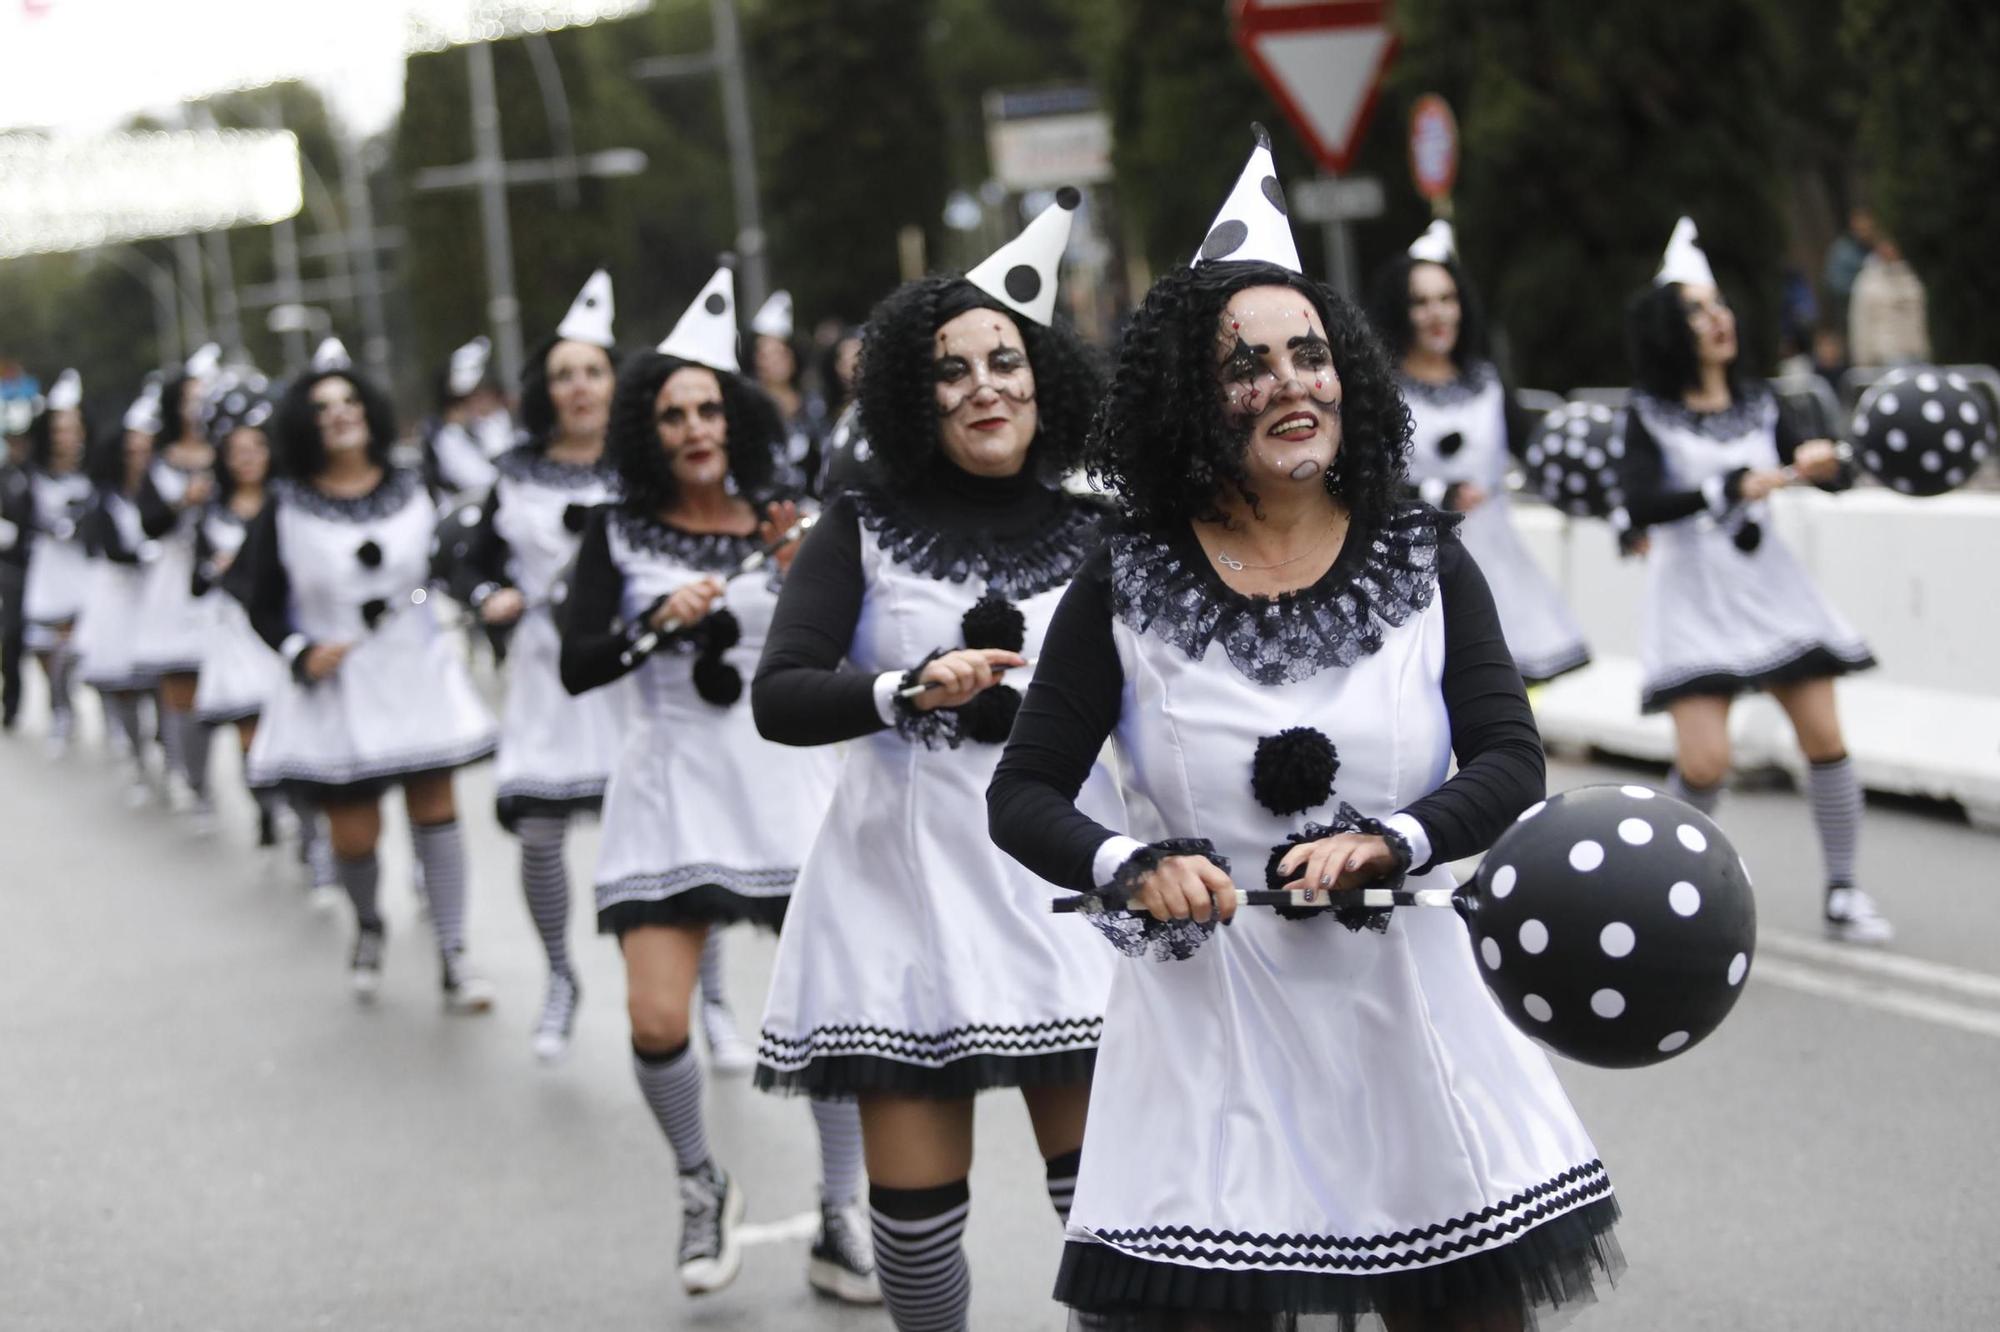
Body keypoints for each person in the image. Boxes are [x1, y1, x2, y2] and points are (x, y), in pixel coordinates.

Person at [987, 132, 1620, 1331]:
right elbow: (1021, 796)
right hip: (1208, 1035)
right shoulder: (1117, 581)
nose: (1289, 384)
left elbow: (1505, 758)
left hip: (1408, 1031)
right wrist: (1133, 864)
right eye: (1246, 367)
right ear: (1187, 398)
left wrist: (1395, 838)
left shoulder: (1424, 556)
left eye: (1309, 356)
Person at [751, 196, 1119, 1331]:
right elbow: (780, 697)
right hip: (900, 902)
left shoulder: (1108, 529)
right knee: (914, 1229)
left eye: (1003, 360)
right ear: (916, 396)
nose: (983, 388)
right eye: (951, 371)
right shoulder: (857, 523)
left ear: (1042, 375)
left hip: (1066, 893)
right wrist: (904, 686)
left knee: (1108, 1213)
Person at [557, 268, 877, 1303]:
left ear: (733, 417)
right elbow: (576, 664)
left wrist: (798, 567)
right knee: (655, 1020)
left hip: (785, 788)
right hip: (667, 794)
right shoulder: (615, 533)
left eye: (707, 408)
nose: (692, 427)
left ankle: (840, 1212)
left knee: (828, 1015)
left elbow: (857, 647)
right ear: (646, 434)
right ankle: (700, 1183)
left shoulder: (794, 521)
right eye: (670, 414)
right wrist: (654, 622)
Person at [1621, 218, 1887, 944]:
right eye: (1698, 313)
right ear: (1672, 332)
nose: (1718, 321)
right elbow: (1640, 501)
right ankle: (1659, 888)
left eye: (1719, 307)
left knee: (1825, 739)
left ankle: (1843, 890)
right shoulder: (1647, 415)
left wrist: (1830, 466)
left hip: (1771, 593)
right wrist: (1727, 486)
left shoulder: (1768, 401)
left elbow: (1815, 468)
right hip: (1695, 603)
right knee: (1706, 763)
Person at [228, 356, 501, 1005]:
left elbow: (452, 563)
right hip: (336, 689)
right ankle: (370, 925)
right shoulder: (285, 506)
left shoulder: (413, 486)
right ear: (303, 425)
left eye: (348, 401)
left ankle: (454, 954)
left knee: (436, 810)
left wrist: (485, 595)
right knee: (354, 833)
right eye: (321, 408)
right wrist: (299, 650)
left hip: (416, 675)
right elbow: (256, 597)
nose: (339, 414)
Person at [459, 273, 629, 1061]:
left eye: (593, 370)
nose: (580, 386)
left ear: (615, 380)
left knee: (667, 834)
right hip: (545, 680)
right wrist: (489, 592)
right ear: (545, 390)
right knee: (537, 831)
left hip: (636, 677)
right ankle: (560, 975)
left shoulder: (651, 459)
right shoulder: (514, 471)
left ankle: (710, 994)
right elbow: (471, 561)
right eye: (564, 374)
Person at [1368, 219, 1592, 684]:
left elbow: (1540, 453)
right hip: (1413, 579)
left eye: (1447, 299)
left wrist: (1595, 473)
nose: (1437, 314)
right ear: (1398, 309)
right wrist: (1434, 492)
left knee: (1506, 707)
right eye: (1421, 302)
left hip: (1496, 572)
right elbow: (1363, 479)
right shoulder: (1380, 393)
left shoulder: (1489, 383)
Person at [189, 381, 318, 866]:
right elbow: (196, 583)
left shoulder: (290, 504)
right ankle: (267, 805)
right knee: (251, 732)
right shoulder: (212, 512)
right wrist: (215, 570)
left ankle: (309, 826)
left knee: (293, 725)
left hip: (279, 626)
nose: (246, 459)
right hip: (236, 633)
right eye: (235, 452)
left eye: (255, 448)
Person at [134, 350, 223, 822]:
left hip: (226, 581)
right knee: (183, 687)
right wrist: (181, 502)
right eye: (189, 399)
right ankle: (195, 779)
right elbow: (148, 523)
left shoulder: (232, 452)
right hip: (176, 579)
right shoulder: (161, 462)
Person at [71, 405, 163, 798]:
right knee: (126, 686)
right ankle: (138, 757)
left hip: (158, 600)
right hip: (120, 599)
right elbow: (112, 550)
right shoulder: (105, 502)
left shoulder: (160, 492)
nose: (139, 460)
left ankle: (170, 754)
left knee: (165, 686)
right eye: (132, 452)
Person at [19, 371, 96, 756]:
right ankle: (60, 709)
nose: (67, 436)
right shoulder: (31, 474)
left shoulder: (97, 471)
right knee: (47, 649)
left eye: (73, 427)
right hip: (49, 567)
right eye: (60, 428)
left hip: (86, 568)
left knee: (84, 646)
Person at [1847, 235, 1931, 368]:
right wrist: (1863, 361)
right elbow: (1861, 322)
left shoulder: (1912, 277)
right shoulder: (1867, 281)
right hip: (1885, 357)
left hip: (1917, 353)